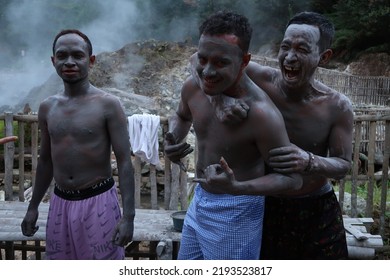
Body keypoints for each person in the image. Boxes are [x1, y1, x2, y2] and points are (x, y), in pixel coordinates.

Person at [198, 11, 354, 259]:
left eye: (302, 49)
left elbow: (344, 164)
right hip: (262, 205)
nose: (290, 57)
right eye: (285, 47)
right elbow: (200, 63)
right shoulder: (259, 79)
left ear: (323, 57)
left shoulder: (336, 106)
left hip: (315, 209)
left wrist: (310, 160)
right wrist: (217, 100)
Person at [164, 11, 302, 260]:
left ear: (244, 61)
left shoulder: (261, 114)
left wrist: (238, 187)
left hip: (238, 211)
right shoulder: (193, 87)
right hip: (199, 201)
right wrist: (174, 138)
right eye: (203, 59)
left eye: (220, 63)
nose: (207, 71)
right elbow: (182, 116)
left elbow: (292, 179)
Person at [20, 29, 135, 260]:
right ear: (53, 61)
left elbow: (124, 161)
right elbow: (46, 161)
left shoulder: (108, 105)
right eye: (62, 56)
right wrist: (32, 207)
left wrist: (128, 217)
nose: (69, 62)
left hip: (99, 202)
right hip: (60, 202)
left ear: (90, 61)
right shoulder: (47, 107)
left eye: (77, 55)